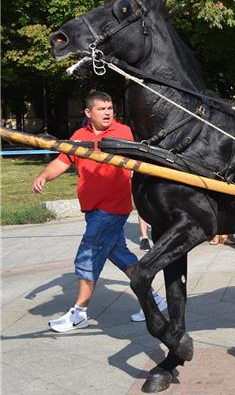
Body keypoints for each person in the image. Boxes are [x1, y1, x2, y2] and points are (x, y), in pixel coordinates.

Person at [32, 91, 167, 332]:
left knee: (88, 254)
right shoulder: (79, 136)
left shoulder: (122, 133)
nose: (107, 113)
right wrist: (43, 175)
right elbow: (62, 161)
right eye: (102, 109)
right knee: (121, 256)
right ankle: (155, 300)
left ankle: (79, 312)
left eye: (110, 108)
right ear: (88, 113)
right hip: (92, 209)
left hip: (112, 208)